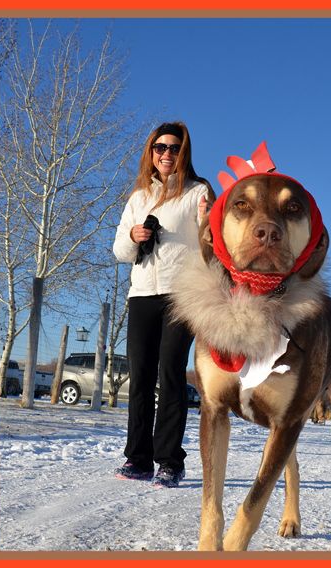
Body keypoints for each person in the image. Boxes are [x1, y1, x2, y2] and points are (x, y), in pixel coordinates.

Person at [112, 122, 214, 488]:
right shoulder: (138, 197)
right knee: (140, 377)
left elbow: (210, 243)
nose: (166, 154)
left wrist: (208, 222)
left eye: (174, 148)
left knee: (169, 373)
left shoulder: (197, 192)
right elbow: (120, 251)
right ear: (150, 151)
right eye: (160, 147)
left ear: (184, 151)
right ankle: (137, 458)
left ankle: (170, 461)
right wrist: (133, 236)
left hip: (180, 294)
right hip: (141, 294)